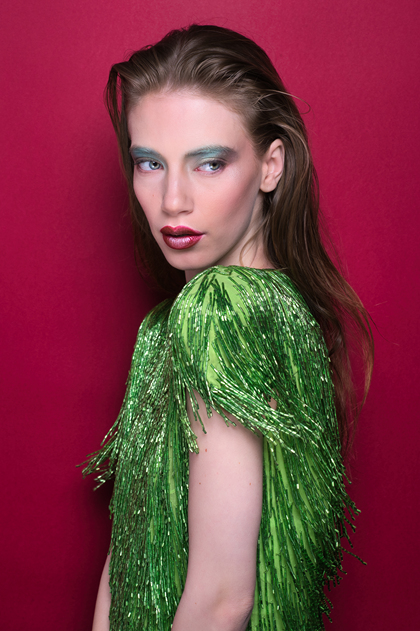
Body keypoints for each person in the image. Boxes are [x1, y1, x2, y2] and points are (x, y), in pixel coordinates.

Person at [83, 24, 373, 631]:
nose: (173, 200)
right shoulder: (264, 308)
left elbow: (222, 599)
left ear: (271, 165)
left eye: (210, 163)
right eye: (149, 163)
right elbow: (134, 549)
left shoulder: (224, 313)